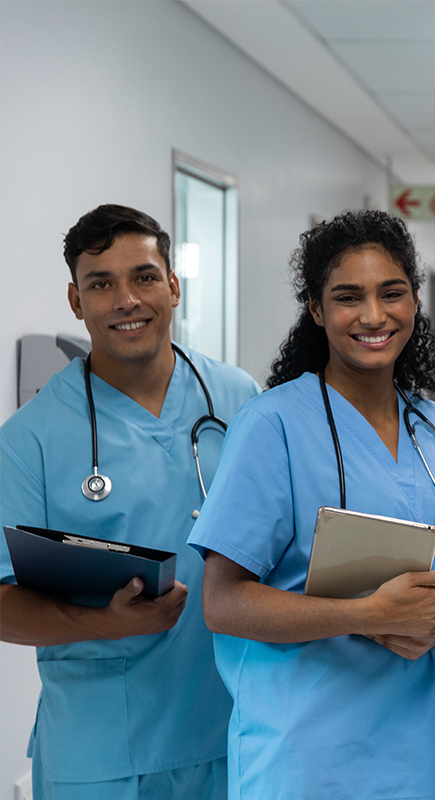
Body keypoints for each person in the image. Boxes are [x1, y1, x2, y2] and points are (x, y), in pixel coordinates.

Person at [187, 209, 435, 800]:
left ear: (414, 301)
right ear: (317, 310)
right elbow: (222, 602)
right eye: (348, 297)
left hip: (428, 758)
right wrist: (367, 615)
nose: (373, 316)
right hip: (306, 759)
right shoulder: (273, 425)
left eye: (391, 293)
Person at [0, 204, 260, 799]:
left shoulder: (238, 398)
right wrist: (103, 623)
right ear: (75, 301)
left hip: (231, 731)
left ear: (172, 285)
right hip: (103, 750)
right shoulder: (29, 439)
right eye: (101, 283)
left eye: (144, 277)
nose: (126, 300)